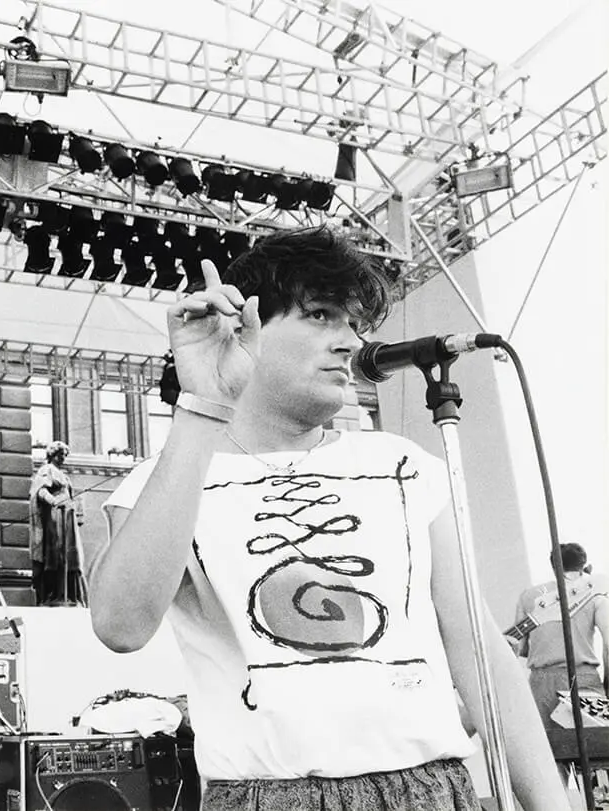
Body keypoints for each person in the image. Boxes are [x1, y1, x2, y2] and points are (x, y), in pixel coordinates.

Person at [86, 226, 567, 810]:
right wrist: (203, 406)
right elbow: (120, 626)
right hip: (269, 793)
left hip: (430, 786)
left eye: (355, 324)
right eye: (320, 315)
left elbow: (480, 654)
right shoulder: (168, 479)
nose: (348, 342)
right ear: (245, 325)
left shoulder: (402, 465)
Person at [511, 542, 609, 728]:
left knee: (552, 752)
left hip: (541, 682)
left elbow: (520, 647)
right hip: (583, 678)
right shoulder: (596, 594)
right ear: (582, 566)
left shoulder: (528, 596)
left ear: (554, 566)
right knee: (597, 748)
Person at [29, 441, 85, 606]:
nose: (63, 458)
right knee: (56, 552)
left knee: (70, 553)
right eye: (61, 455)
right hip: (55, 516)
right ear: (52, 454)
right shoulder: (46, 470)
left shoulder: (64, 476)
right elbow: (40, 491)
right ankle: (55, 593)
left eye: (65, 455)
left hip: (67, 515)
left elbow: (70, 494)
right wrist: (53, 501)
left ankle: (69, 595)